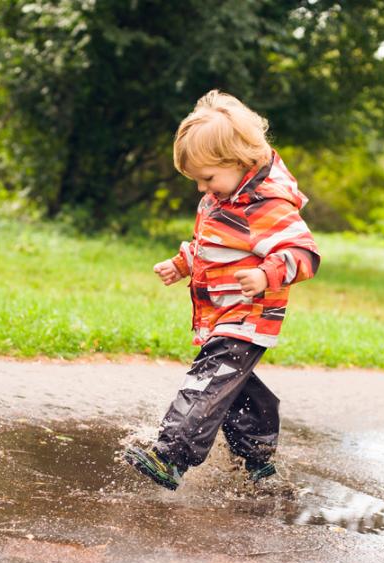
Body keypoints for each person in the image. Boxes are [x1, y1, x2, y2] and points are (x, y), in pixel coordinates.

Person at [124, 90, 320, 490]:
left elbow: (304, 253)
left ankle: (170, 456)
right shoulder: (222, 197)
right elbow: (212, 245)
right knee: (236, 386)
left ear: (239, 161)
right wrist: (182, 263)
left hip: (248, 316)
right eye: (197, 180)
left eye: (207, 178)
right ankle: (257, 458)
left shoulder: (267, 205)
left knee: (209, 379)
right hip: (222, 313)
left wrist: (265, 275)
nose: (201, 188)